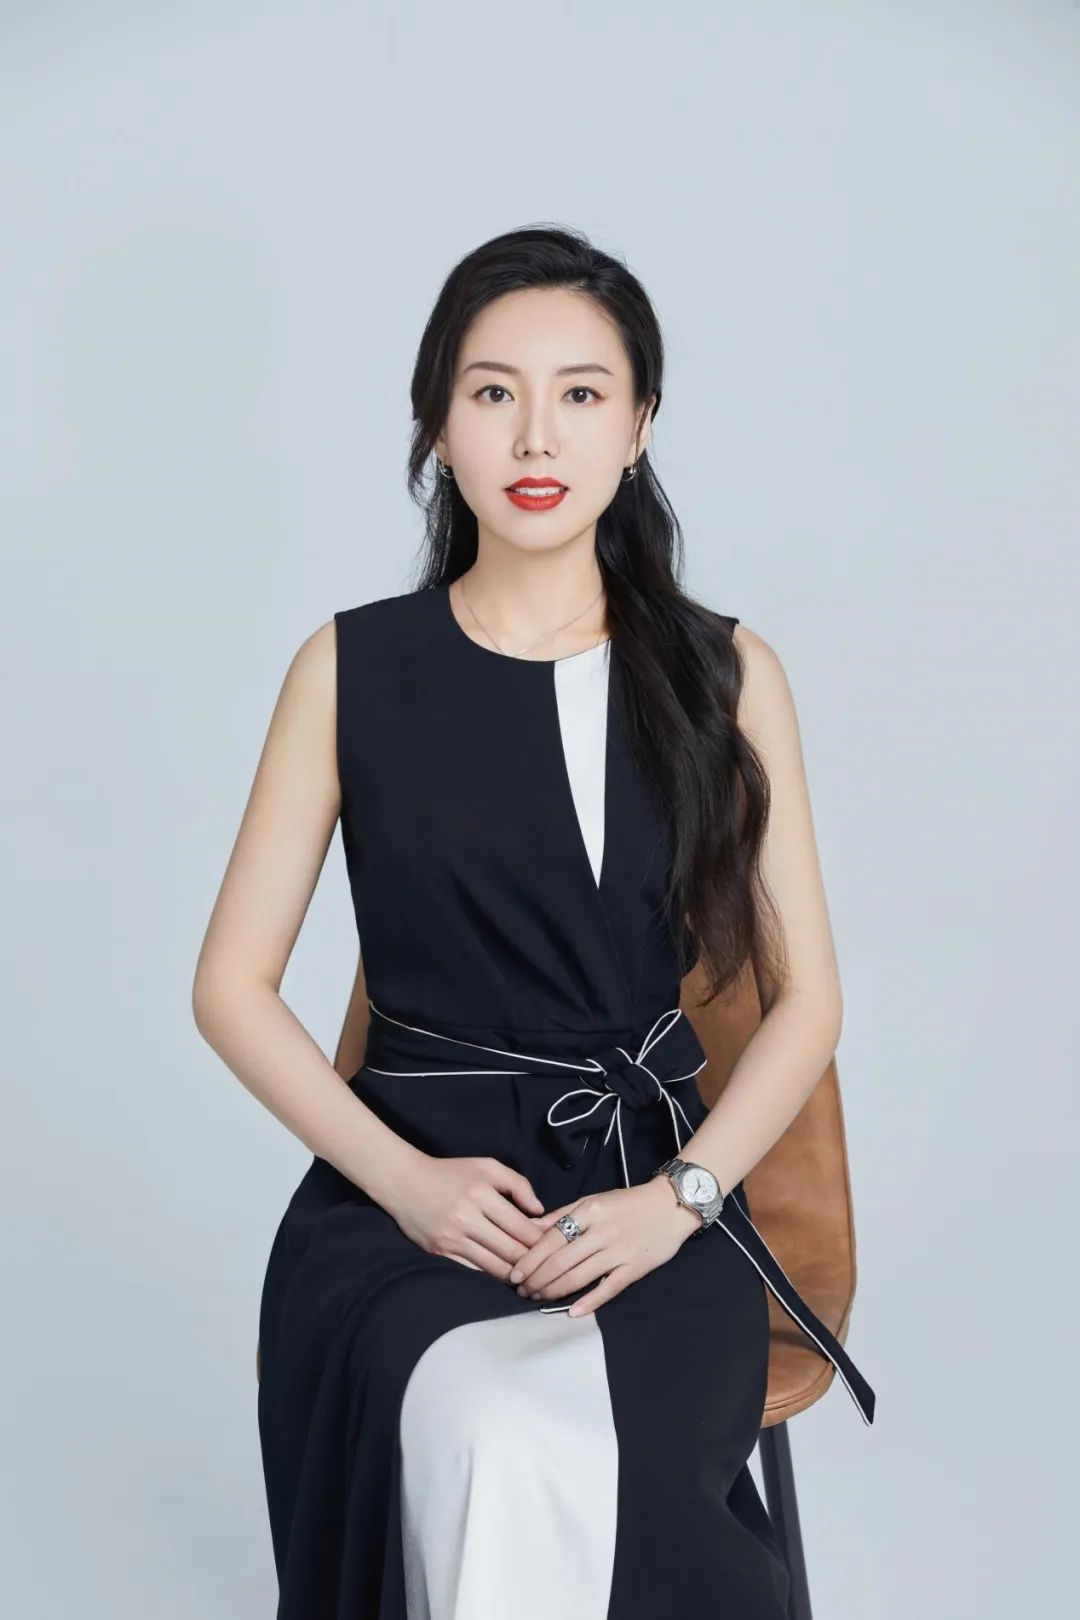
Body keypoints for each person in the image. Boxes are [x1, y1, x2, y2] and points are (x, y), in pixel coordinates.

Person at [192, 224, 875, 1620]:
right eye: (493, 391)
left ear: (640, 426)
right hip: (408, 1207)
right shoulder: (349, 669)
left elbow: (808, 1002)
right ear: (437, 425)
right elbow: (230, 989)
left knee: (583, 1456)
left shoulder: (729, 675)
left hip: (648, 1196)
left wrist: (679, 1203)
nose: (535, 434)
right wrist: (407, 1185)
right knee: (485, 1432)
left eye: (581, 392)